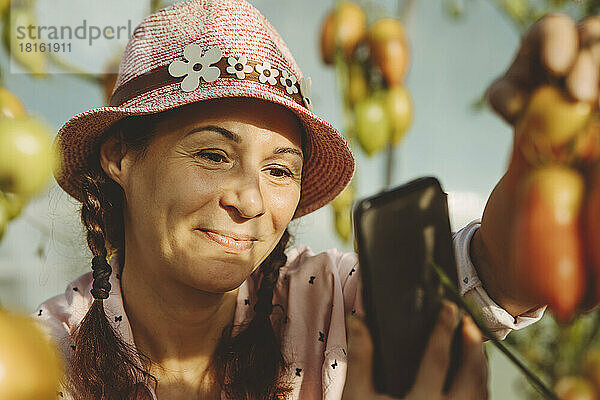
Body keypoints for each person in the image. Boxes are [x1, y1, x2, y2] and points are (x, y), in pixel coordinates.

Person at [32, 0, 595, 399]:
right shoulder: (42, 365)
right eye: (212, 155)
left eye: (280, 170)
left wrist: (548, 157)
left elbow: (491, 275)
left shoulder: (331, 303)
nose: (251, 200)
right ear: (119, 158)